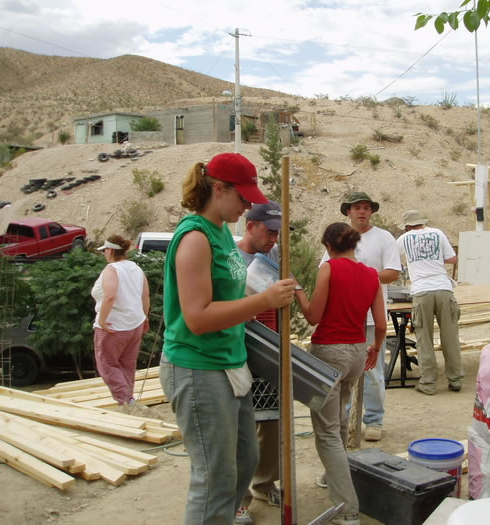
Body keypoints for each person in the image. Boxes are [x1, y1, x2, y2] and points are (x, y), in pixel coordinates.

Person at [159, 152, 295, 525]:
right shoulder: (195, 238)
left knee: (245, 461)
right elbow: (197, 318)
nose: (248, 206)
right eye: (243, 197)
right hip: (198, 367)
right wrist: (263, 301)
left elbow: (225, 297)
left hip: (229, 363)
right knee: (214, 478)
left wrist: (246, 304)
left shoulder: (220, 231)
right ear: (219, 189)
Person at [296, 222, 386, 525]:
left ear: (328, 246)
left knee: (327, 432)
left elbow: (313, 316)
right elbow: (381, 324)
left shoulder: (329, 269)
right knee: (341, 418)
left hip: (329, 352)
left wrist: (297, 291)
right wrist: (375, 348)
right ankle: (333, 475)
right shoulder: (371, 274)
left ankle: (347, 510)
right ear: (354, 244)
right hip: (357, 351)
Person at [321, 191, 400, 442]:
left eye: (366, 207)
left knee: (372, 372)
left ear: (372, 211)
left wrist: (362, 275)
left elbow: (393, 272)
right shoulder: (338, 237)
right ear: (348, 212)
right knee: (342, 372)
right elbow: (325, 270)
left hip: (371, 317)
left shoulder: (384, 238)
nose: (362, 212)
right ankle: (342, 422)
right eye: (357, 208)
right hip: (343, 317)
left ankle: (374, 421)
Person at [235, 201, 284, 524]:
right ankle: (239, 499)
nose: (274, 239)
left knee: (271, 422)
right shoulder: (231, 259)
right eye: (269, 232)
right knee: (239, 429)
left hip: (270, 346)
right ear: (250, 226)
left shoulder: (276, 256)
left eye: (278, 234)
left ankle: (265, 483)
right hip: (238, 350)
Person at [396, 210, 464, 395]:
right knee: (450, 336)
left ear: (407, 226)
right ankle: (456, 379)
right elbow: (453, 259)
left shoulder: (403, 239)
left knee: (424, 339)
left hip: (421, 290)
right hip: (443, 288)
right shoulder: (438, 233)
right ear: (423, 222)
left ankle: (428, 383)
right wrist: (434, 258)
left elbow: (392, 261)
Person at [91, 234, 150, 408]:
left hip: (114, 326)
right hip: (135, 324)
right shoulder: (136, 268)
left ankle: (126, 400)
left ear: (110, 250)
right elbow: (145, 295)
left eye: (104, 250)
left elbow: (110, 296)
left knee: (106, 364)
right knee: (127, 363)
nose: (103, 253)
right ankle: (129, 400)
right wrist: (144, 316)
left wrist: (102, 321)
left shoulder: (112, 269)